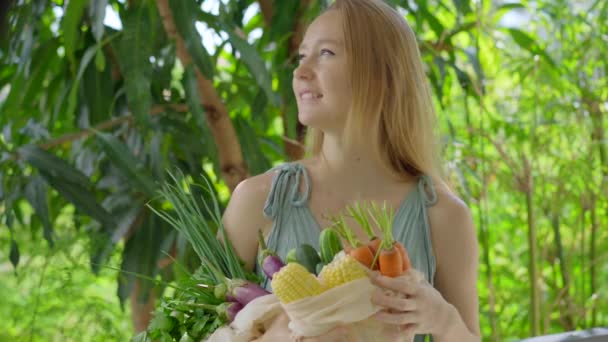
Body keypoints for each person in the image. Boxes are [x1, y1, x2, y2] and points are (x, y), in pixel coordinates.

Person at [222, 0, 480, 340]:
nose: (300, 72)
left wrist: (443, 320)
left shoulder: (443, 217)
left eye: (326, 53)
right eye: (302, 56)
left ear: (382, 73)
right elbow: (198, 329)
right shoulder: (257, 201)